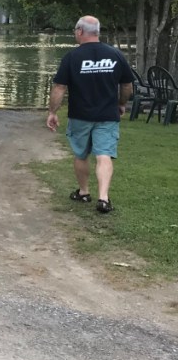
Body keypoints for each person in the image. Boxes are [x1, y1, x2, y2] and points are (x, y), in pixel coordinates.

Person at [46, 15, 134, 214]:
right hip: (107, 116)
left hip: (80, 116)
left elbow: (60, 87)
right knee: (104, 155)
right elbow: (127, 84)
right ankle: (103, 198)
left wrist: (52, 112)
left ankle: (84, 192)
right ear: (97, 32)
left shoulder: (72, 57)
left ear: (79, 31)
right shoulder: (115, 55)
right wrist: (121, 104)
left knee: (81, 154)